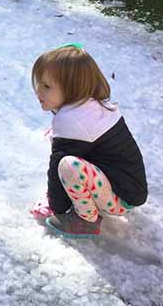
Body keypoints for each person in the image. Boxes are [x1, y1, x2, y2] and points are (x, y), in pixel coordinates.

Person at [31, 44, 148, 238]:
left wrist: (56, 206)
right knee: (61, 144)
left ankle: (86, 221)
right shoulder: (90, 106)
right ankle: (92, 202)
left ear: (72, 89)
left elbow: (56, 167)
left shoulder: (72, 121)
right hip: (128, 187)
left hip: (120, 199)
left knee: (67, 165)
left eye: (47, 86)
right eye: (39, 83)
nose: (38, 90)